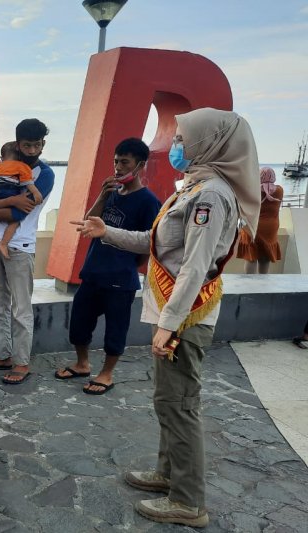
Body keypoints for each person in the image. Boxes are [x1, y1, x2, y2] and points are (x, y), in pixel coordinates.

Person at [73, 108, 260, 527]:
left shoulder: (210, 195)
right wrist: (106, 232)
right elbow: (156, 242)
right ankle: (167, 475)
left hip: (185, 320)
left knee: (180, 407)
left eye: (182, 138)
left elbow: (194, 267)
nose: (175, 145)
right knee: (169, 402)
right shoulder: (192, 188)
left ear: (208, 142)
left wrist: (169, 325)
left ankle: (188, 501)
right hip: (174, 313)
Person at [55, 138, 161, 395]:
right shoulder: (112, 193)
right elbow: (87, 223)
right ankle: (82, 364)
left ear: (140, 166)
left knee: (115, 330)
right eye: (116, 161)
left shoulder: (148, 201)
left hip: (120, 279)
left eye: (125, 162)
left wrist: (129, 267)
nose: (118, 167)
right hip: (93, 272)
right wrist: (102, 195)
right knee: (79, 324)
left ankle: (106, 373)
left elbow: (150, 243)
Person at [0, 119, 55, 385]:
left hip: (20, 248)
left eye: (38, 145)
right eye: (28, 145)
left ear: (43, 144)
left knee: (21, 309)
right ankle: (3, 355)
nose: (33, 150)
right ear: (18, 144)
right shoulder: (7, 169)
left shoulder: (45, 175)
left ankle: (21, 362)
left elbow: (20, 212)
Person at [0, 141, 41, 259]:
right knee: (16, 219)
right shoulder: (22, 166)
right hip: (9, 191)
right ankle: (4, 243)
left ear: (2, 157)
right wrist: (36, 192)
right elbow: (27, 182)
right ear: (19, 156)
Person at [236, 166, 282, 273]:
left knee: (251, 257)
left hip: (252, 226)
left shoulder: (252, 190)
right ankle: (263, 285)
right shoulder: (279, 190)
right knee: (265, 258)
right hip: (270, 228)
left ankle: (251, 285)